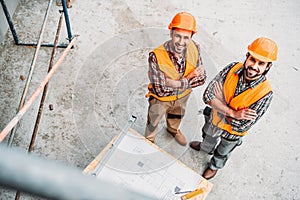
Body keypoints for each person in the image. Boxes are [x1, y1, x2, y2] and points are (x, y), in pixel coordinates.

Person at [189, 37, 278, 179]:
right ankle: (206, 148)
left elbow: (241, 126)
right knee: (207, 137)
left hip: (231, 134)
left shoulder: (265, 94)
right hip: (213, 120)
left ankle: (214, 166)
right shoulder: (232, 68)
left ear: (268, 67)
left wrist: (219, 102)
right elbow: (207, 96)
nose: (254, 66)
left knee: (223, 152)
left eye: (261, 63)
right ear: (247, 56)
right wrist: (233, 113)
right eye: (252, 59)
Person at [145, 12, 206, 146]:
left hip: (182, 97)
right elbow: (161, 90)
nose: (181, 42)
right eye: (177, 36)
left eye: (186, 38)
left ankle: (173, 130)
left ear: (191, 37)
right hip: (160, 100)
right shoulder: (156, 56)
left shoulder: (195, 48)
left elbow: (202, 79)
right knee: (153, 121)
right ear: (171, 33)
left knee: (176, 116)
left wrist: (174, 83)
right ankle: (149, 141)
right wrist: (190, 78)